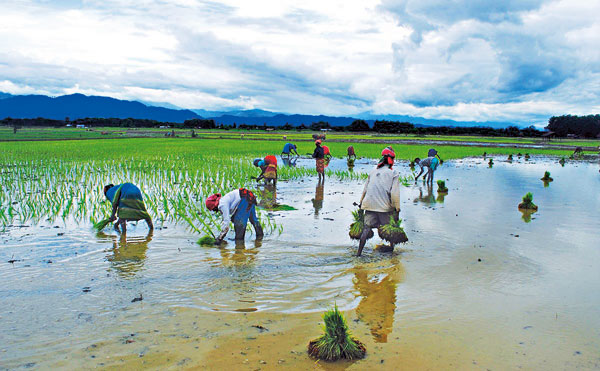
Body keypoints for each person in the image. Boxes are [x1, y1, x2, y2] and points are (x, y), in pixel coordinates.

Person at [357, 147, 401, 256]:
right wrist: (397, 208)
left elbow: (365, 190)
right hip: (384, 207)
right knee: (389, 228)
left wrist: (361, 204)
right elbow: (394, 193)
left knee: (366, 228)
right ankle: (391, 251)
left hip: (369, 204)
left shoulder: (373, 171)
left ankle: (359, 253)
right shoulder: (393, 173)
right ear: (391, 160)